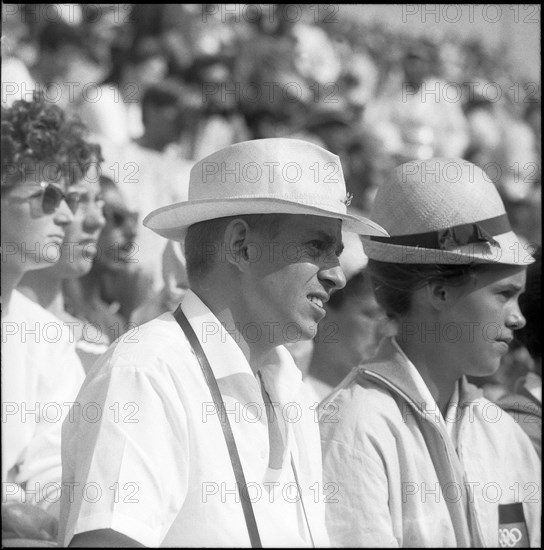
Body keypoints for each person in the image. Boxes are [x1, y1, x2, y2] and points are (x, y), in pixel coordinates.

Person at [58, 138, 388, 547]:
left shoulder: (294, 395)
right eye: (317, 247)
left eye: (335, 252)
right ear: (240, 246)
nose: (336, 275)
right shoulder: (146, 374)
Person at [320, 158, 541, 547]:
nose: (518, 319)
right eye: (504, 295)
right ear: (439, 292)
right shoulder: (354, 427)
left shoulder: (502, 433)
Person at [1, 94, 100, 544]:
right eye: (49, 195)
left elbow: (51, 467)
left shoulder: (45, 336)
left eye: (68, 197)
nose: (66, 214)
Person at [18, 164, 108, 373]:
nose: (98, 220)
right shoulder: (14, 328)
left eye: (99, 201)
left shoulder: (96, 340)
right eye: (76, 199)